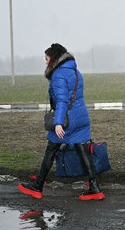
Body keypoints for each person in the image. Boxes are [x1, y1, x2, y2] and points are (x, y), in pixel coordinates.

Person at [18, 43, 105, 201]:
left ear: (54, 58)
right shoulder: (76, 72)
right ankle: (95, 188)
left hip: (67, 120)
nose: (45, 62)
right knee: (83, 151)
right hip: (81, 117)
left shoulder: (58, 75)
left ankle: (38, 186)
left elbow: (62, 101)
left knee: (51, 150)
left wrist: (58, 123)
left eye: (47, 58)